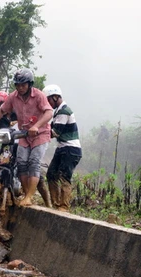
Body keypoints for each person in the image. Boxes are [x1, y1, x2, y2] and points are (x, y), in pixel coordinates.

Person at [0, 68, 53, 206]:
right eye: (18, 85)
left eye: (23, 85)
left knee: (33, 162)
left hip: (40, 133)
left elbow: (49, 112)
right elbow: (2, 110)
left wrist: (36, 126)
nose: (20, 88)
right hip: (23, 134)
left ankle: (29, 196)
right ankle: (26, 194)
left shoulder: (38, 95)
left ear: (29, 84)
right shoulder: (13, 97)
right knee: (21, 162)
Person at [42, 84, 82, 212]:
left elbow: (55, 132)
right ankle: (55, 204)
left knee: (65, 176)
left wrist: (38, 132)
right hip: (62, 148)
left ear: (55, 97)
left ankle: (63, 206)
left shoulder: (64, 111)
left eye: (48, 100)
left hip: (70, 149)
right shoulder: (58, 111)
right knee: (51, 174)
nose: (47, 103)